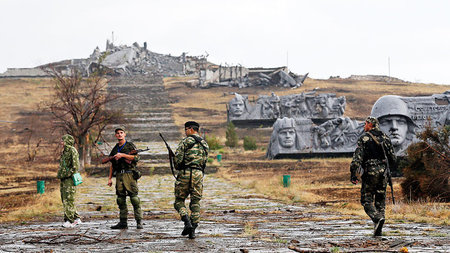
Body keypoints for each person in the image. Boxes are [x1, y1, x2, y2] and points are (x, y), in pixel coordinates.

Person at [350, 116, 397, 236]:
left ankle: (376, 218)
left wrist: (353, 174)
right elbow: (393, 158)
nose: (364, 126)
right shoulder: (386, 138)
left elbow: (357, 159)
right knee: (380, 200)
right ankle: (378, 228)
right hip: (384, 173)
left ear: (370, 124)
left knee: (366, 200)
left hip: (370, 172)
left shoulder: (364, 138)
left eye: (365, 124)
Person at [174, 121, 209, 239]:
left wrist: (177, 165)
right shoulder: (205, 144)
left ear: (190, 129)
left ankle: (187, 222)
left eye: (185, 130)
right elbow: (205, 162)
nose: (185, 132)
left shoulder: (186, 141)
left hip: (185, 173)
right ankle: (193, 230)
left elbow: (178, 160)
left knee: (179, 201)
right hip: (198, 174)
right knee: (195, 202)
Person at [107, 126, 143, 229]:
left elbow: (136, 158)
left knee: (134, 199)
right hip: (119, 175)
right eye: (117, 133)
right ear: (115, 135)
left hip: (129, 174)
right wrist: (109, 178)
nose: (119, 134)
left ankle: (139, 221)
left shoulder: (129, 145)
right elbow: (112, 164)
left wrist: (122, 155)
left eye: (121, 132)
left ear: (125, 134)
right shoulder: (115, 148)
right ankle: (123, 222)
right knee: (120, 199)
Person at [57, 134, 82, 228]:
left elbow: (75, 167)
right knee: (65, 199)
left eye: (63, 140)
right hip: (64, 179)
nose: (61, 142)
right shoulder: (64, 152)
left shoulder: (72, 150)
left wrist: (66, 174)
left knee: (69, 199)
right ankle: (76, 218)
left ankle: (69, 220)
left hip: (69, 179)